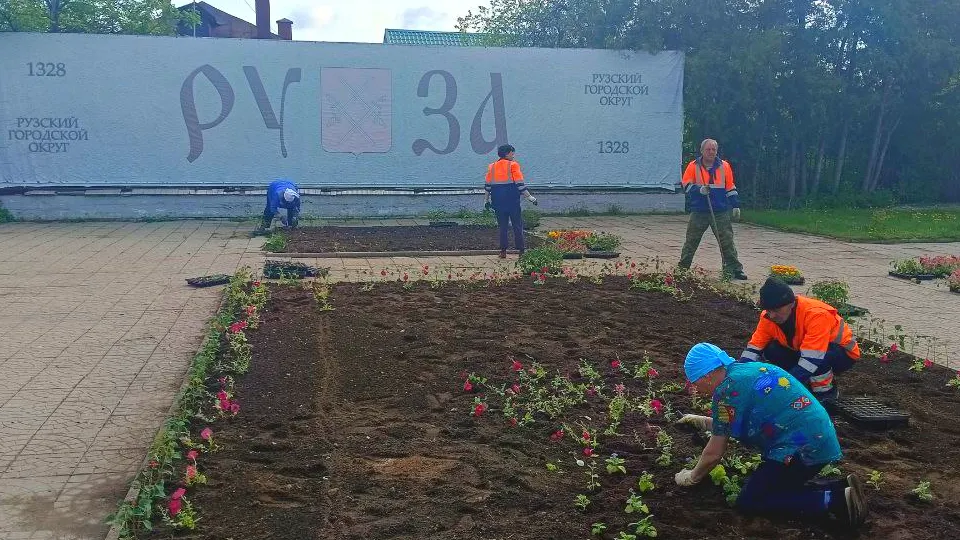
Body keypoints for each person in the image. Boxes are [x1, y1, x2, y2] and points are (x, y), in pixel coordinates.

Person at [674, 342, 867, 528]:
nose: (696, 388)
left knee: (752, 500)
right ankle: (840, 488)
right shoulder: (747, 371)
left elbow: (714, 453)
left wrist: (693, 476)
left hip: (801, 448)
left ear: (706, 375)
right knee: (774, 487)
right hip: (817, 435)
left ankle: (836, 501)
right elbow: (730, 422)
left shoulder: (726, 393)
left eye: (695, 381)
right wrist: (703, 421)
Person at [738, 277, 860, 405]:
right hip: (805, 350)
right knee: (772, 350)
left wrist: (784, 385)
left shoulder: (816, 315)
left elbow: (812, 360)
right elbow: (753, 348)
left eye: (776, 310)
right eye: (768, 310)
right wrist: (740, 374)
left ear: (791, 304)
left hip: (842, 353)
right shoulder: (768, 318)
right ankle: (804, 384)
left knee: (820, 360)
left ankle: (825, 393)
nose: (772, 315)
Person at [678, 138, 747, 280]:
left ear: (717, 151)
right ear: (702, 151)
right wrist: (699, 190)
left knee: (726, 240)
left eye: (713, 149)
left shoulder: (724, 166)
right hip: (699, 211)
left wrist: (735, 205)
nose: (711, 152)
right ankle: (682, 268)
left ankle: (734, 269)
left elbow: (730, 187)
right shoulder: (693, 166)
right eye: (708, 149)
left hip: (720, 210)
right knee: (691, 240)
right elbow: (686, 184)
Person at [484, 144, 537, 258]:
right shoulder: (513, 165)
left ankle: (503, 251)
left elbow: (487, 186)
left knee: (502, 227)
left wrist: (486, 201)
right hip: (512, 200)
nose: (513, 156)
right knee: (517, 225)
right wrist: (530, 197)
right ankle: (521, 251)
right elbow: (519, 184)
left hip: (497, 201)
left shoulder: (491, 167)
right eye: (512, 153)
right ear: (507, 153)